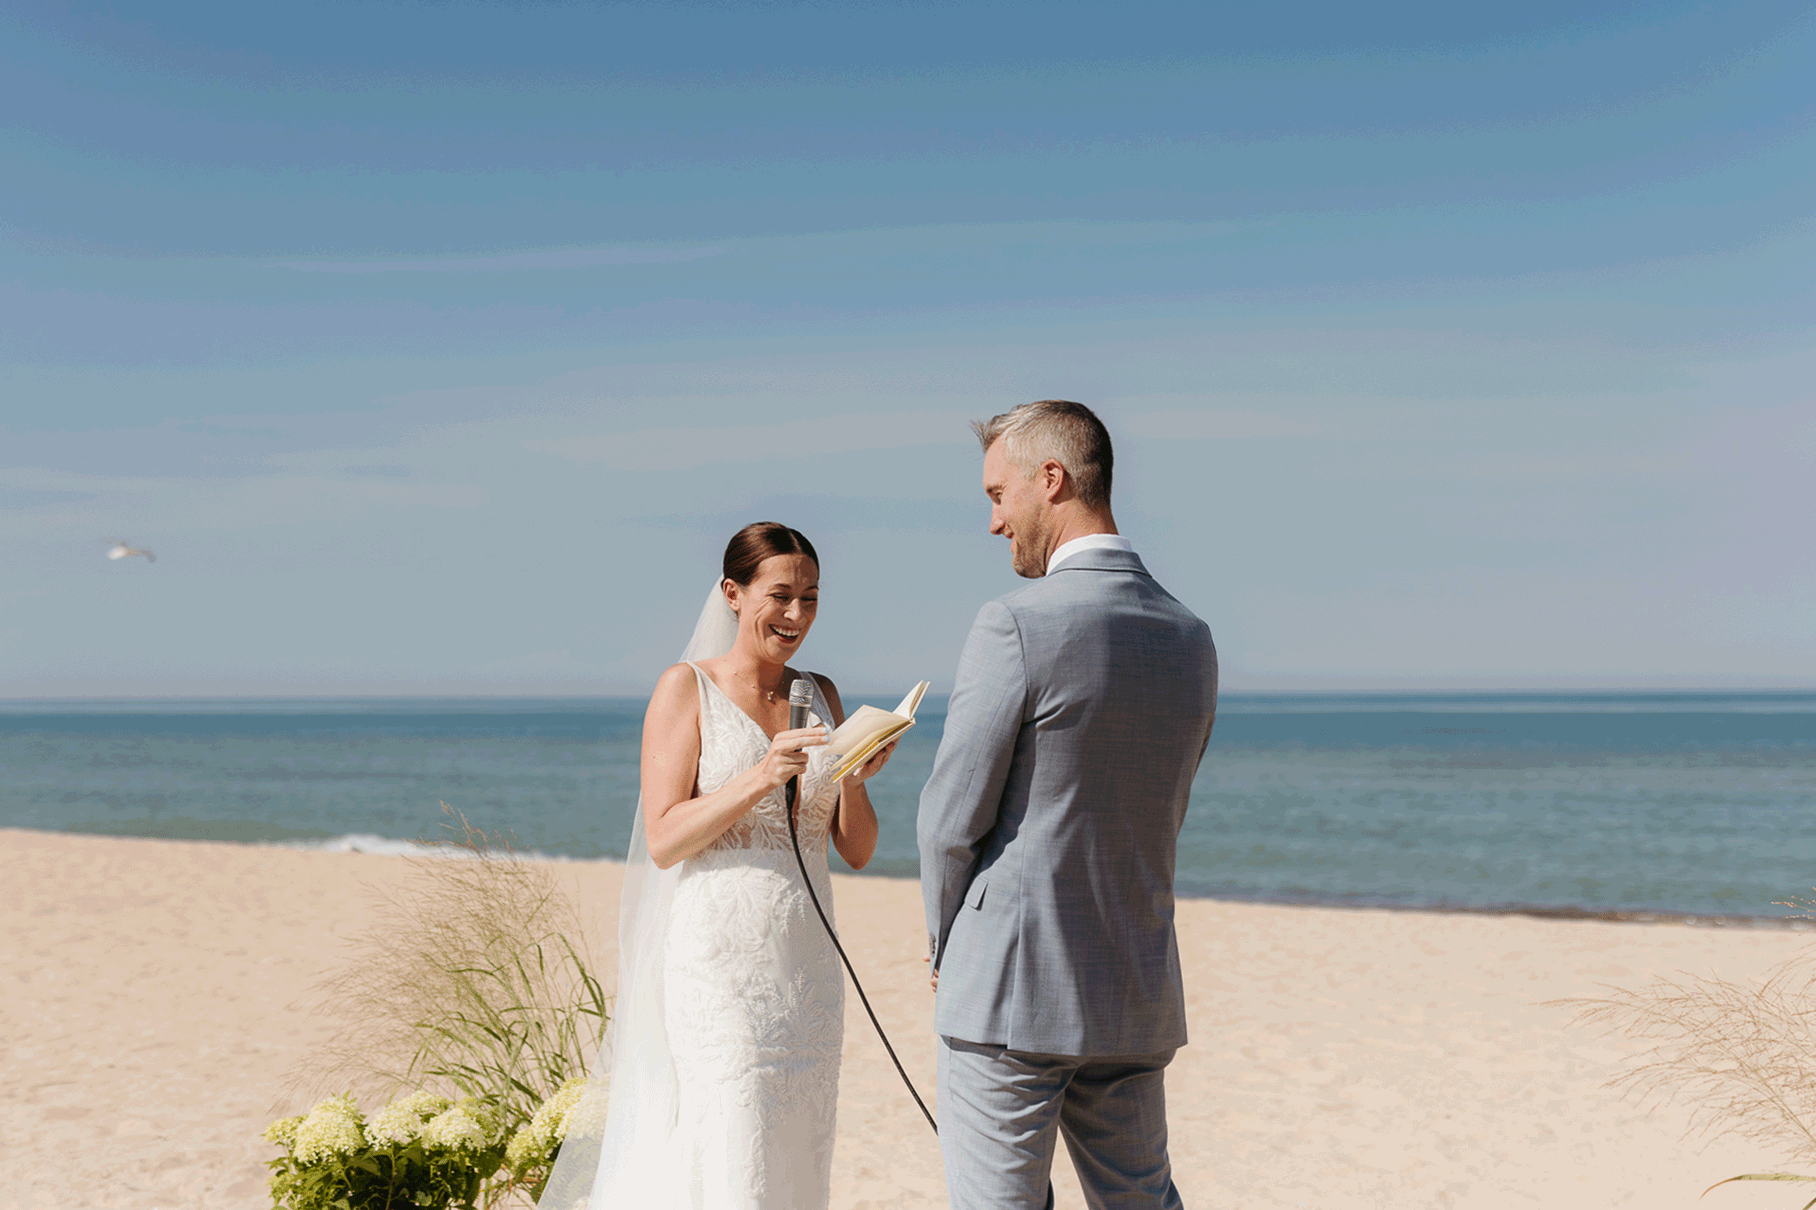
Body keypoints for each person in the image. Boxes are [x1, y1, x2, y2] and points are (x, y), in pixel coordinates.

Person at [538, 521, 897, 1210]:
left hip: (809, 968)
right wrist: (759, 778)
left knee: (797, 1143)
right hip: (720, 969)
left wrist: (853, 774)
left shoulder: (822, 691)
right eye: (781, 595)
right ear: (734, 594)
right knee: (732, 1139)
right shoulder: (685, 688)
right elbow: (666, 838)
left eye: (812, 598)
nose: (797, 616)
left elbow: (857, 850)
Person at [918, 400, 1218, 1209]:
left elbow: (950, 821)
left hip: (1010, 990)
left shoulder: (1014, 623)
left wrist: (948, 943)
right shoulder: (1192, 637)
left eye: (996, 495)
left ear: (1050, 480)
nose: (992, 522)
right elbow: (1161, 812)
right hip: (1131, 984)